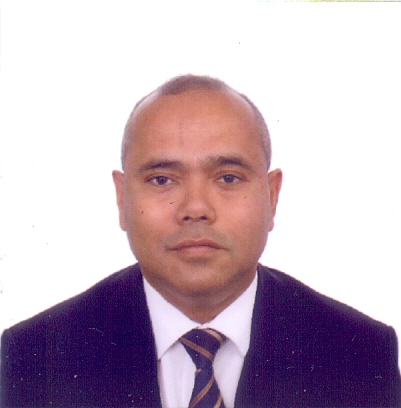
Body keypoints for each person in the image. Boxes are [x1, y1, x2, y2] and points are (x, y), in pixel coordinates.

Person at [1, 75, 400, 408]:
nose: (195, 208)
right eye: (162, 179)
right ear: (122, 199)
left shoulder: (359, 352)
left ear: (272, 196)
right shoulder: (35, 357)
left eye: (228, 178)